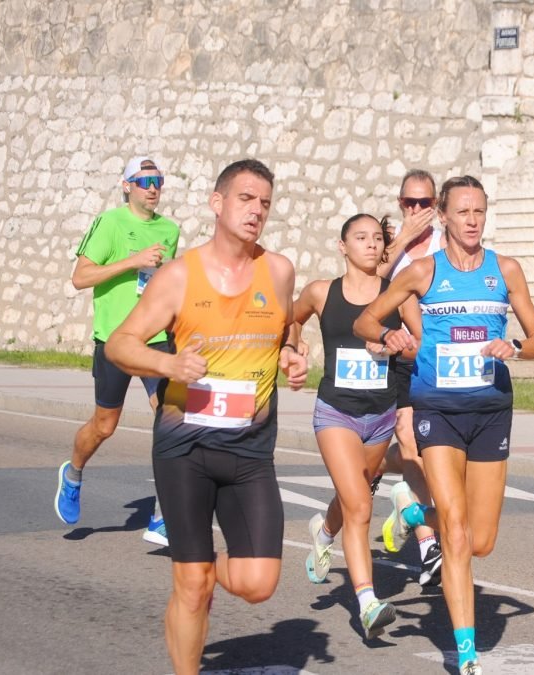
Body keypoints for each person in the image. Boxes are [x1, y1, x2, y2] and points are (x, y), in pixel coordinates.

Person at [105, 158, 308, 675]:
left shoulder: (278, 271)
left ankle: (195, 573)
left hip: (249, 451)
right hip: (185, 449)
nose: (256, 210)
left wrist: (290, 353)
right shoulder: (179, 276)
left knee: (259, 583)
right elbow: (121, 344)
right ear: (217, 204)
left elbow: (287, 328)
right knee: (191, 587)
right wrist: (167, 362)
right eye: (245, 198)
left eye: (264, 202)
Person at [354, 175, 534, 675]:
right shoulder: (422, 271)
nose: (472, 220)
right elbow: (366, 321)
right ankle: (466, 653)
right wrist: (391, 336)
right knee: (458, 534)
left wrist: (518, 347)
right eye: (462, 212)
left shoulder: (505, 270)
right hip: (437, 412)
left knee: (481, 540)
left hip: (489, 412)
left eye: (479, 211)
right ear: (443, 216)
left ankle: (416, 518)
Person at [291, 212, 422, 639]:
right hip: (336, 413)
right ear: (342, 245)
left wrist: (392, 343)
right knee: (361, 507)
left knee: (353, 500)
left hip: (380, 417)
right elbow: (288, 319)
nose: (370, 244)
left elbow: (419, 347)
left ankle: (324, 529)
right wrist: (296, 345)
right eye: (360, 237)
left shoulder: (397, 295)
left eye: (376, 238)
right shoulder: (320, 293)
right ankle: (367, 603)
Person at [56, 155, 179, 547]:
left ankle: (164, 514)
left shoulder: (170, 230)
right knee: (104, 426)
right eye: (144, 181)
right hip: (114, 338)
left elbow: (168, 284)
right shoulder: (110, 223)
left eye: (157, 180)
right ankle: (73, 473)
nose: (153, 187)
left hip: (156, 339)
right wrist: (133, 261)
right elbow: (80, 277)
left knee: (172, 421)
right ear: (126, 186)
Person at [376, 169, 446, 587]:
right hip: (401, 356)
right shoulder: (389, 245)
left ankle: (378, 473)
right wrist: (400, 239)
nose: (416, 210)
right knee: (408, 439)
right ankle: (427, 547)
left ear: (436, 206)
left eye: (424, 203)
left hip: (439, 359)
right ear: (401, 203)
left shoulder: (446, 243)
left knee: (424, 452)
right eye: (409, 203)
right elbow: (369, 283)